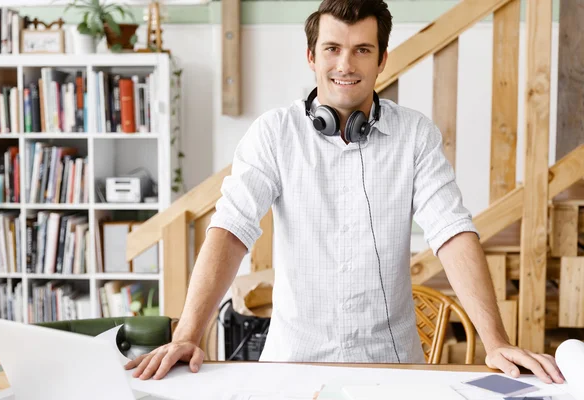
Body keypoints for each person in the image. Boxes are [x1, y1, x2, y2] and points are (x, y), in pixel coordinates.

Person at [126, 0, 565, 384]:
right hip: (292, 366)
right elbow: (231, 229)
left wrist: (497, 342)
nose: (346, 65)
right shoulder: (274, 134)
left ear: (382, 59)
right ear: (311, 57)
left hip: (391, 369)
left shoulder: (415, 135)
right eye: (333, 49)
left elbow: (451, 231)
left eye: (362, 50)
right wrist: (186, 335)